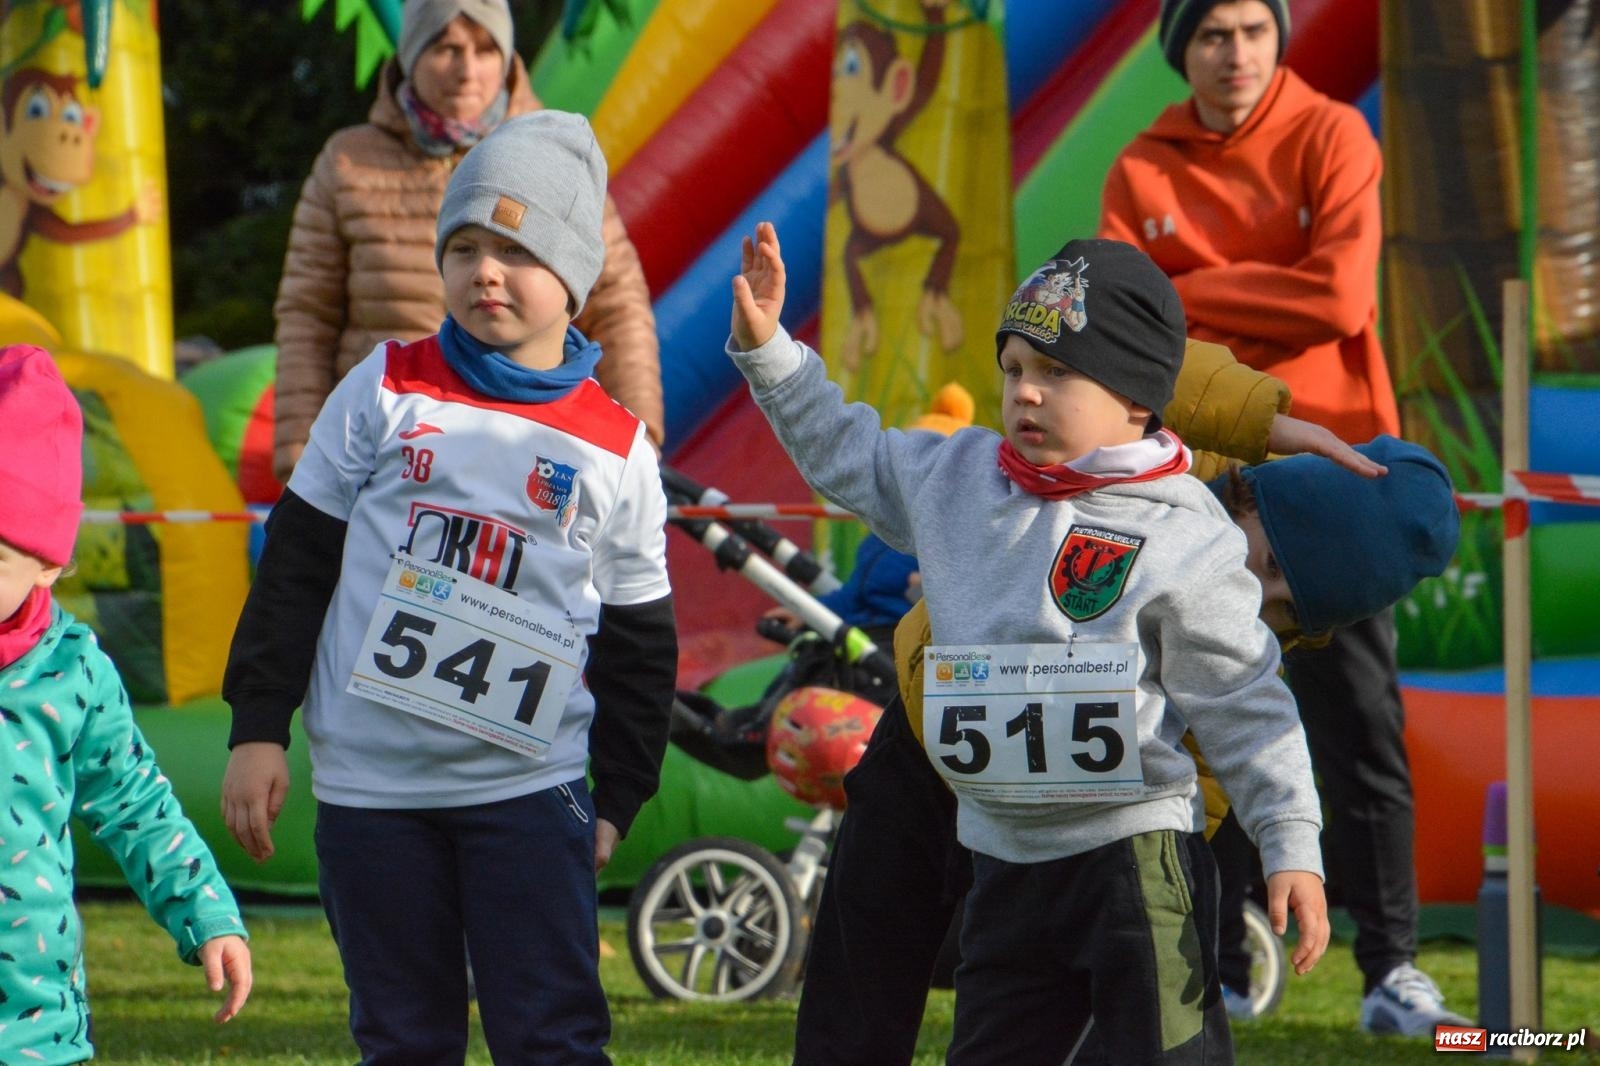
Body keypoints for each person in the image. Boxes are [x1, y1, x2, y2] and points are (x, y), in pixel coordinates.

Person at [731, 222, 1329, 1064]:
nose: (1027, 393)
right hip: (1001, 866)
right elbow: (850, 450)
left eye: (1057, 372)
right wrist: (771, 353)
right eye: (1014, 369)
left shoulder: (1187, 536)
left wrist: (1291, 839)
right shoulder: (959, 478)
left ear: (1136, 399)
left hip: (1137, 864)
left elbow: (1244, 701)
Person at [220, 111, 677, 1063]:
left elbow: (640, 639)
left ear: (576, 278)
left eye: (518, 248)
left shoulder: (619, 448)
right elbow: (295, 566)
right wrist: (258, 726)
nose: (486, 271)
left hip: (530, 792)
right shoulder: (382, 387)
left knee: (550, 1037)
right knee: (401, 1039)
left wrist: (622, 794)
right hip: (368, 794)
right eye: (464, 245)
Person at [1098, 0, 1464, 1035]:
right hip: (1200, 486)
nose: (1237, 53)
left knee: (1358, 728)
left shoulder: (1333, 131)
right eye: (1213, 33)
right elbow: (1131, 328)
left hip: (1336, 489)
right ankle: (1212, 967)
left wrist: (1194, 290)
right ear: (1183, 49)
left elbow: (1342, 298)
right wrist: (1263, 289)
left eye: (1256, 28)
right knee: (1193, 721)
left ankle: (1392, 970)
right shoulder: (1139, 165)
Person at [271, 0, 664, 484]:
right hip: (384, 445)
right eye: (446, 48)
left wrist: (640, 438)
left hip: (529, 443)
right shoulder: (346, 161)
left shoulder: (558, 164)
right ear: (411, 54)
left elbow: (618, 303)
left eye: (484, 49)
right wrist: (301, 443)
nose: (467, 70)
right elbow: (308, 313)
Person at [0, 344, 252, 1065]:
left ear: (50, 562)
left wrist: (207, 914)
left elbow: (137, 804)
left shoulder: (72, 670)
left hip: (32, 1026)